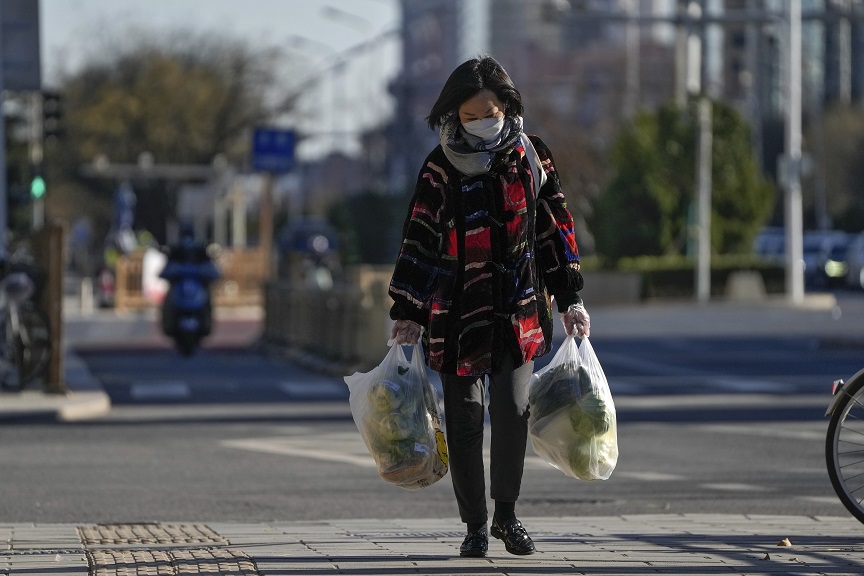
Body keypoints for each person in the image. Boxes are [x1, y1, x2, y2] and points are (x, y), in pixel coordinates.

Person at [388, 56, 590, 558]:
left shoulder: (530, 156)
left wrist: (570, 298)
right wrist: (407, 311)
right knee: (465, 419)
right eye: (473, 114)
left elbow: (554, 231)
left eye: (492, 110)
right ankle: (474, 524)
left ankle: (507, 515)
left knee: (513, 411)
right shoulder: (439, 167)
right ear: (454, 114)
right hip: (456, 315)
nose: (484, 121)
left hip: (519, 309)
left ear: (508, 107)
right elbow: (420, 239)